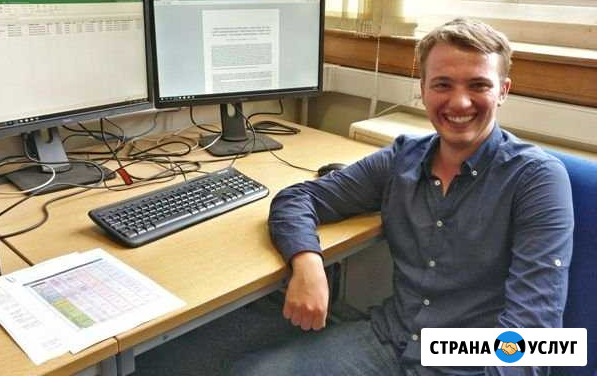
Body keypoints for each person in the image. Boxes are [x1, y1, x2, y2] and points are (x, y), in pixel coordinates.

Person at [230, 19, 574, 376]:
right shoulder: (402, 159)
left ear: (502, 91)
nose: (459, 101)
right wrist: (308, 263)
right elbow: (297, 199)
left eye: (478, 85)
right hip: (392, 339)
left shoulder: (537, 179)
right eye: (442, 84)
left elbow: (533, 338)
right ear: (423, 89)